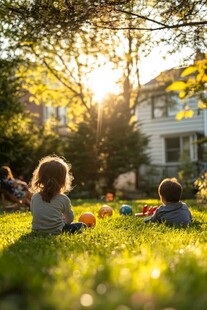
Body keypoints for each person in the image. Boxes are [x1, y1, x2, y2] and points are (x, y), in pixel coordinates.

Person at [29, 155, 87, 234]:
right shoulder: (63, 199)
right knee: (82, 226)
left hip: (36, 231)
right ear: (63, 180)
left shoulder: (35, 197)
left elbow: (34, 214)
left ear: (40, 178)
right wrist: (63, 220)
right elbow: (70, 219)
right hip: (57, 231)